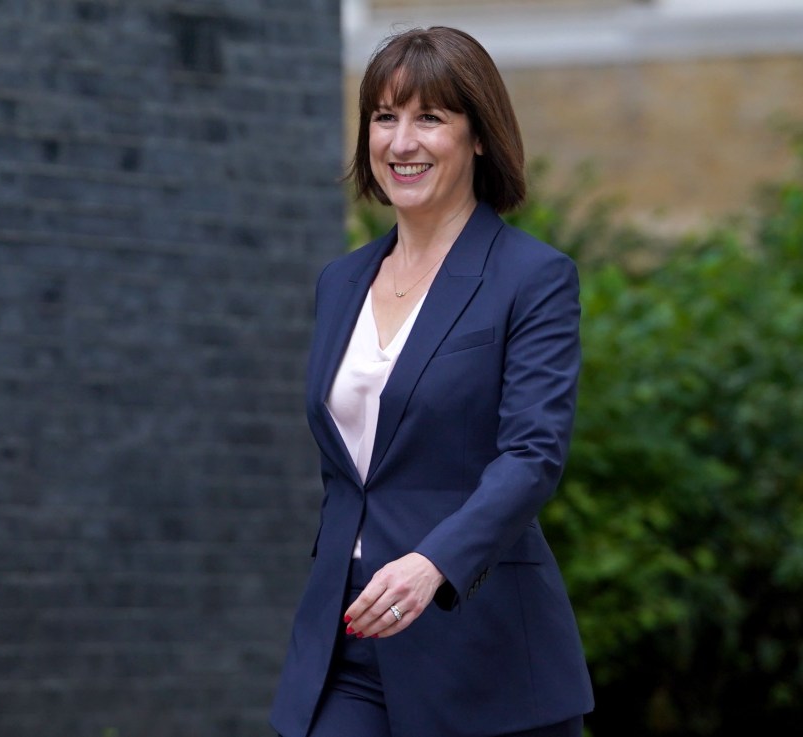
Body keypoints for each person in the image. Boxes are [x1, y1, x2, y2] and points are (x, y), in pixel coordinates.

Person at [270, 26, 594, 737]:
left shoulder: (531, 278)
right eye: (384, 117)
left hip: (477, 638)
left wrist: (433, 562)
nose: (400, 141)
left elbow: (532, 454)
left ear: (479, 136)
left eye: (430, 118)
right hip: (347, 630)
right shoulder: (342, 281)